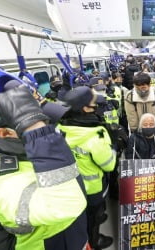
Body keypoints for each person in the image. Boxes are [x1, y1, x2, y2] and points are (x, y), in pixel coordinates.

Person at [0, 83, 88, 250]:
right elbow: (66, 205)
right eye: (38, 126)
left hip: (74, 233)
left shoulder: (35, 148)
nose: (51, 129)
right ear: (5, 133)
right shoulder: (1, 181)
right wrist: (38, 133)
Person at [58, 86, 116, 249]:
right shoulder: (94, 135)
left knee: (83, 216)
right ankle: (95, 240)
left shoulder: (61, 128)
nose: (97, 105)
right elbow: (109, 164)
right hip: (93, 188)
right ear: (85, 108)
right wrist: (114, 146)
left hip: (71, 185)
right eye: (93, 103)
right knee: (94, 217)